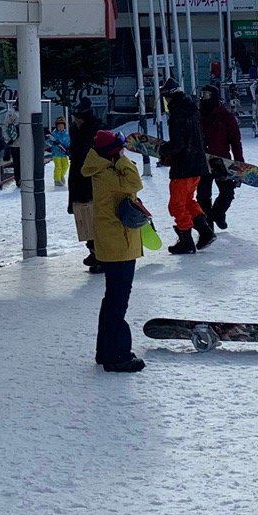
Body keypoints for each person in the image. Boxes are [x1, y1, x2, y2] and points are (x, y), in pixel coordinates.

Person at [82, 129, 147, 372]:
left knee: (112, 300)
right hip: (118, 245)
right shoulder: (108, 173)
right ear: (112, 153)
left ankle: (105, 351)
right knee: (118, 302)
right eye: (119, 149)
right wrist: (122, 160)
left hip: (115, 244)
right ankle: (116, 356)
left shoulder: (102, 170)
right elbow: (136, 183)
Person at [162, 88, 213, 253]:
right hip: (197, 164)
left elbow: (178, 144)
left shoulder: (177, 115)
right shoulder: (192, 110)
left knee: (176, 205)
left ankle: (186, 240)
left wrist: (164, 149)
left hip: (183, 167)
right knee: (188, 201)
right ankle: (205, 231)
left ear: (169, 98)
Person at [198, 84, 246, 229]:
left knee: (227, 192)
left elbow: (235, 141)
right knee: (203, 196)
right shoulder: (198, 116)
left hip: (222, 161)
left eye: (206, 95)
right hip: (202, 160)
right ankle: (208, 225)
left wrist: (239, 164)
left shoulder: (226, 117)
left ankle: (218, 213)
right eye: (202, 95)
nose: (203, 98)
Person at [67, 103, 101, 271]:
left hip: (91, 178)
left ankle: (99, 254)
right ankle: (94, 251)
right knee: (84, 216)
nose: (75, 120)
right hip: (79, 178)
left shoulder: (94, 130)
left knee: (94, 216)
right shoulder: (76, 129)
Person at [49, 115, 72, 188]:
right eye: (59, 126)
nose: (60, 127)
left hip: (64, 153)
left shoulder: (66, 133)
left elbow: (68, 142)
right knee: (58, 166)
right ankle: (57, 179)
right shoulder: (54, 134)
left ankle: (61, 175)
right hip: (56, 153)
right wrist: (53, 143)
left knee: (65, 165)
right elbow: (48, 141)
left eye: (62, 125)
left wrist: (68, 148)